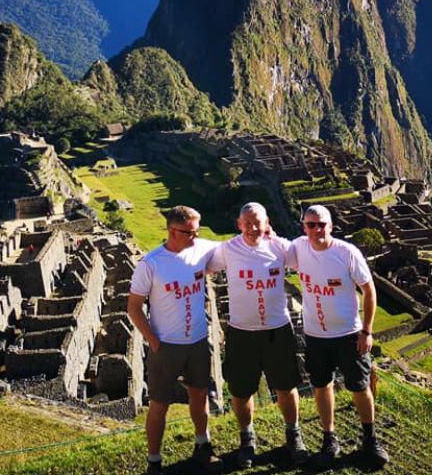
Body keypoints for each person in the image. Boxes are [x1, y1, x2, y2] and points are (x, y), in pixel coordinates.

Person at [285, 205, 389, 468]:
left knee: (360, 386)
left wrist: (366, 331)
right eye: (311, 225)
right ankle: (329, 438)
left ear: (330, 226)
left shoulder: (346, 253)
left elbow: (369, 290)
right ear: (304, 227)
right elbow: (271, 249)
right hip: (316, 335)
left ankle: (370, 439)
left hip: (349, 334)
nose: (316, 229)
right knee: (322, 386)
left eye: (321, 224)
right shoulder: (298, 248)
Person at [206, 203, 308, 468]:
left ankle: (293, 433)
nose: (253, 228)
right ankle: (247, 439)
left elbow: (312, 257)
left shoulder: (280, 247)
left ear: (267, 222)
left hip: (277, 330)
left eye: (257, 222)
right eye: (247, 223)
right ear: (239, 224)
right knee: (241, 391)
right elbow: (199, 266)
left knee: (286, 386)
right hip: (242, 332)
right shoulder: (227, 250)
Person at [127, 206, 221, 475]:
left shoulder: (201, 249)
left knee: (200, 395)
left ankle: (202, 445)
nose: (196, 236)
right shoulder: (151, 263)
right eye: (190, 232)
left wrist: (265, 233)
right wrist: (154, 342)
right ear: (172, 231)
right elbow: (133, 306)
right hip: (166, 345)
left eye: (197, 230)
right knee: (159, 404)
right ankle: (154, 461)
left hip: (198, 341)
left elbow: (234, 248)